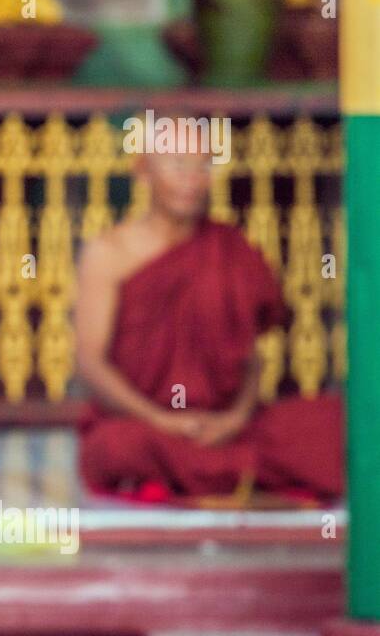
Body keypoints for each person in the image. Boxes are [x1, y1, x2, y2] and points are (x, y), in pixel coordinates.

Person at [74, 139, 343, 506]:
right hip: (148, 425)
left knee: (331, 422)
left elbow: (250, 355)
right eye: (178, 165)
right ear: (143, 172)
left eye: (203, 167)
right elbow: (90, 362)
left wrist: (234, 418)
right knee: (117, 448)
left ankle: (213, 473)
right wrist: (162, 421)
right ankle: (237, 476)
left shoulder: (228, 247)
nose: (192, 180)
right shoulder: (110, 252)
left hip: (228, 427)